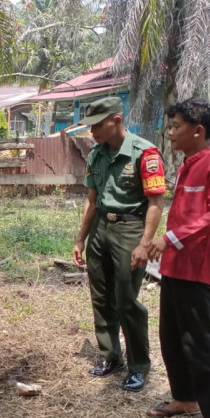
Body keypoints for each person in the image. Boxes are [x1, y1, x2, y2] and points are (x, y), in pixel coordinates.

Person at [145, 98, 210, 418]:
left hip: (197, 269)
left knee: (200, 341)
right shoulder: (186, 166)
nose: (170, 133)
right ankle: (185, 398)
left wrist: (170, 238)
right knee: (172, 334)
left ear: (198, 131)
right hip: (174, 266)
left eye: (176, 127)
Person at [72, 96, 166, 392]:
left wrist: (145, 243)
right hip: (101, 228)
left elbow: (155, 203)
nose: (92, 132)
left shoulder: (145, 153)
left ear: (116, 119)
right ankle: (111, 356)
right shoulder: (96, 155)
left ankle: (139, 366)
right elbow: (91, 201)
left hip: (130, 229)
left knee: (127, 300)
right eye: (90, 126)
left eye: (97, 125)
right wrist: (80, 239)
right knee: (101, 298)